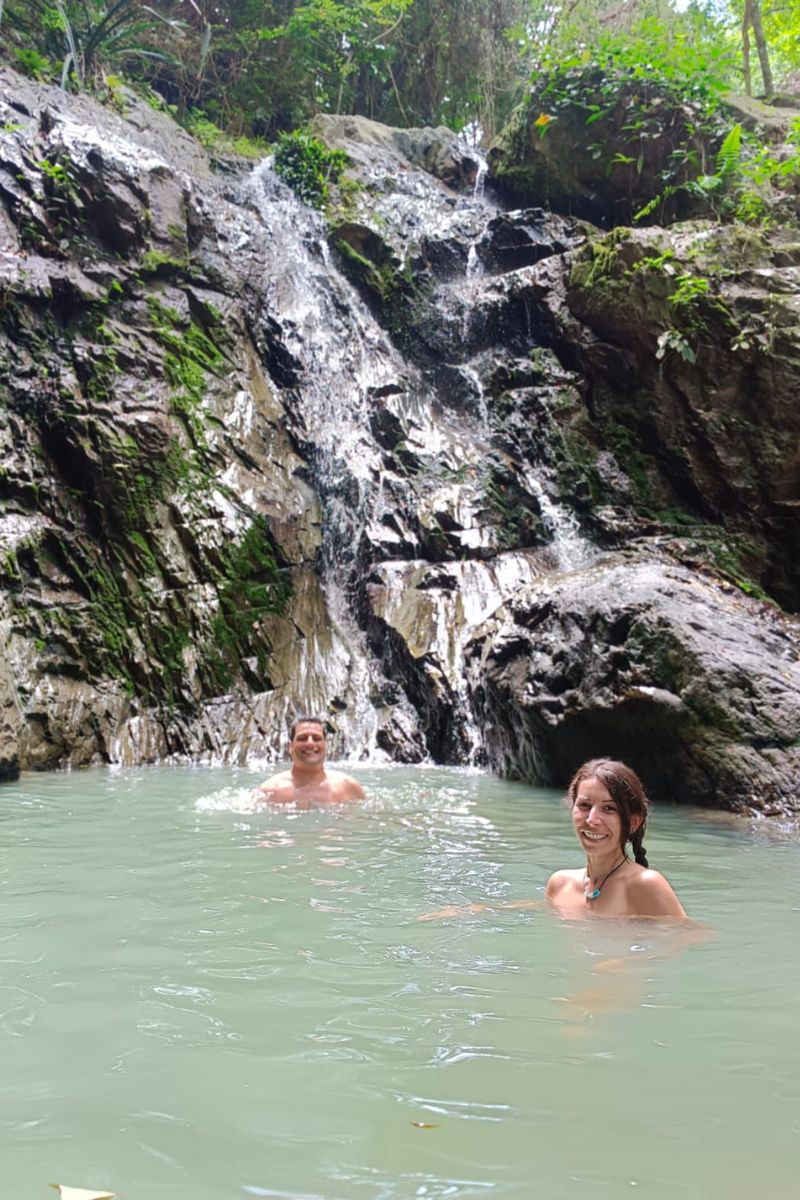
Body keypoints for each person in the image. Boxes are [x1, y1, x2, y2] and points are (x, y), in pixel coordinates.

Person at [546, 758, 686, 919]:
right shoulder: (560, 884)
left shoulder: (645, 884)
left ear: (633, 822)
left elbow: (689, 936)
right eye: (584, 805)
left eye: (609, 808)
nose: (592, 819)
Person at [255, 717, 366, 806]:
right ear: (290, 746)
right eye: (302, 738)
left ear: (325, 745)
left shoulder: (349, 787)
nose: (310, 743)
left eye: (316, 738)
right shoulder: (269, 791)